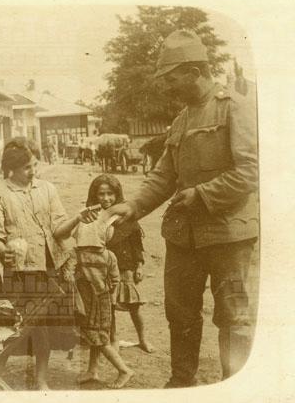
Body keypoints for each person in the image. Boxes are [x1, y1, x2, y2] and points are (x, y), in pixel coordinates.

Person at [106, 29, 259, 387]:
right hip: (183, 237)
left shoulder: (235, 108)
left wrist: (202, 194)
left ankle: (235, 386)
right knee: (180, 314)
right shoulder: (181, 119)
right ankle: (181, 383)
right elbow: (164, 175)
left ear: (194, 72)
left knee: (234, 318)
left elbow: (251, 171)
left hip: (228, 235)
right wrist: (134, 206)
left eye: (172, 79)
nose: (167, 87)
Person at [0, 137, 82, 390]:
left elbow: (59, 229)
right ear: (11, 168)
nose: (33, 171)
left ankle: (40, 380)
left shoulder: (47, 189)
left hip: (49, 268)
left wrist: (77, 220)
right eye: (26, 167)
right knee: (17, 325)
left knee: (43, 328)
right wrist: (4, 252)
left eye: (34, 165)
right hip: (21, 271)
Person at [86, 174, 153, 353]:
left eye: (110, 194)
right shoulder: (92, 216)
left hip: (125, 267)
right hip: (104, 269)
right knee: (110, 306)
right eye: (101, 194)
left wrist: (139, 266)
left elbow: (136, 245)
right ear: (94, 195)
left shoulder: (125, 215)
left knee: (134, 306)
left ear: (117, 194)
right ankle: (113, 339)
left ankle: (143, 339)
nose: (106, 198)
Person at [70, 210, 134, 389]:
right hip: (103, 301)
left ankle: (124, 370)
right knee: (97, 337)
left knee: (100, 340)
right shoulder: (109, 255)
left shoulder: (77, 254)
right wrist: (107, 294)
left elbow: (68, 274)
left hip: (88, 304)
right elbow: (115, 280)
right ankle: (93, 370)